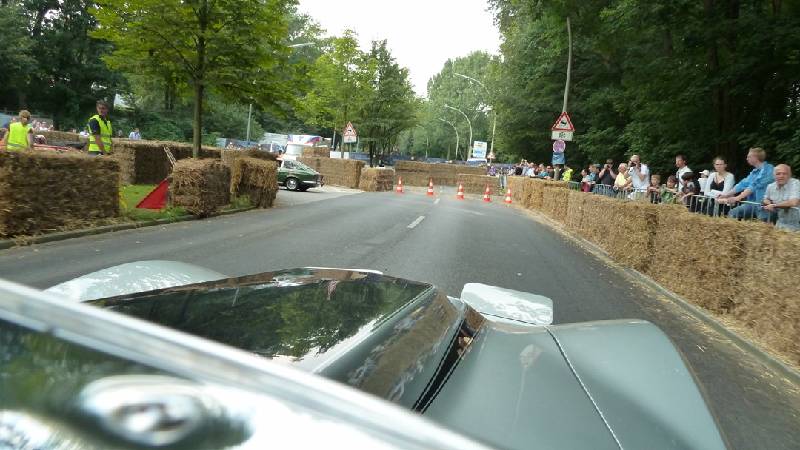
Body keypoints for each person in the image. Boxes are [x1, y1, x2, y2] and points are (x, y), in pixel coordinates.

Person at [718, 147, 775, 220]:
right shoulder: (754, 172)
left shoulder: (769, 169)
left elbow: (754, 186)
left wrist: (737, 198)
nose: (747, 158)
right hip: (752, 204)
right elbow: (742, 184)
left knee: (762, 226)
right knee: (733, 213)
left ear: (755, 157)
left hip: (764, 205)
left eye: (749, 156)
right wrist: (726, 195)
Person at [762, 164, 800, 231]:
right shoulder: (770, 186)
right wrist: (768, 204)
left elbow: (794, 202)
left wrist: (774, 205)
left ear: (789, 175)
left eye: (784, 174)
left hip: (797, 226)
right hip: (780, 224)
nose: (781, 176)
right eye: (778, 174)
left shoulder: (795, 183)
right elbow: (765, 199)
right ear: (774, 176)